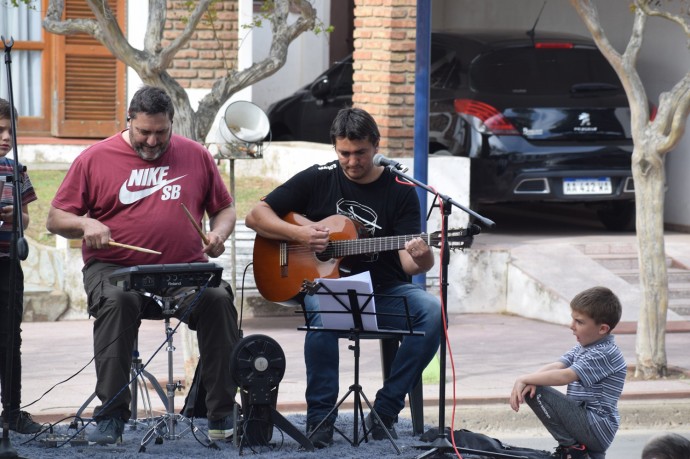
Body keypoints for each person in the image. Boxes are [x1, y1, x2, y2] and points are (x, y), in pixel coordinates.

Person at [46, 86, 239, 445]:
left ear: (171, 125)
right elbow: (55, 218)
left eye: (161, 133)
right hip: (115, 269)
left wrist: (219, 233)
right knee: (119, 302)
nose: (152, 141)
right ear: (129, 121)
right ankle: (111, 418)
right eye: (143, 132)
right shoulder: (95, 158)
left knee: (217, 298)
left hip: (183, 270)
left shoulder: (195, 155)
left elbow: (224, 209)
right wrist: (86, 224)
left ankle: (221, 414)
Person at [245, 107, 442, 448]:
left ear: (376, 145)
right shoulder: (319, 177)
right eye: (344, 153)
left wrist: (424, 255)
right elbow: (255, 214)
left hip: (383, 291)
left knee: (432, 311)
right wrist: (300, 235)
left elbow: (411, 266)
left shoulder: (400, 190)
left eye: (360, 153)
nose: (352, 161)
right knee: (322, 312)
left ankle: (385, 411)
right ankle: (320, 420)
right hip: (323, 286)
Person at [509, 286, 627, 459]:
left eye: (579, 322)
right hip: (588, 424)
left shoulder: (605, 352)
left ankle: (572, 448)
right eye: (573, 319)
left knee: (537, 393)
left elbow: (565, 376)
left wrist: (524, 378)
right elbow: (558, 366)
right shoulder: (584, 347)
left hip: (596, 426)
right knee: (534, 386)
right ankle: (578, 451)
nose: (571, 326)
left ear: (602, 329)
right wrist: (531, 380)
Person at [0, 98, 42, 434]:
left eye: (9, 131)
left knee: (10, 337)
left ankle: (11, 410)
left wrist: (17, 216)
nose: (5, 137)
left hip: (8, 264)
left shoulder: (17, 171)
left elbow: (27, 218)